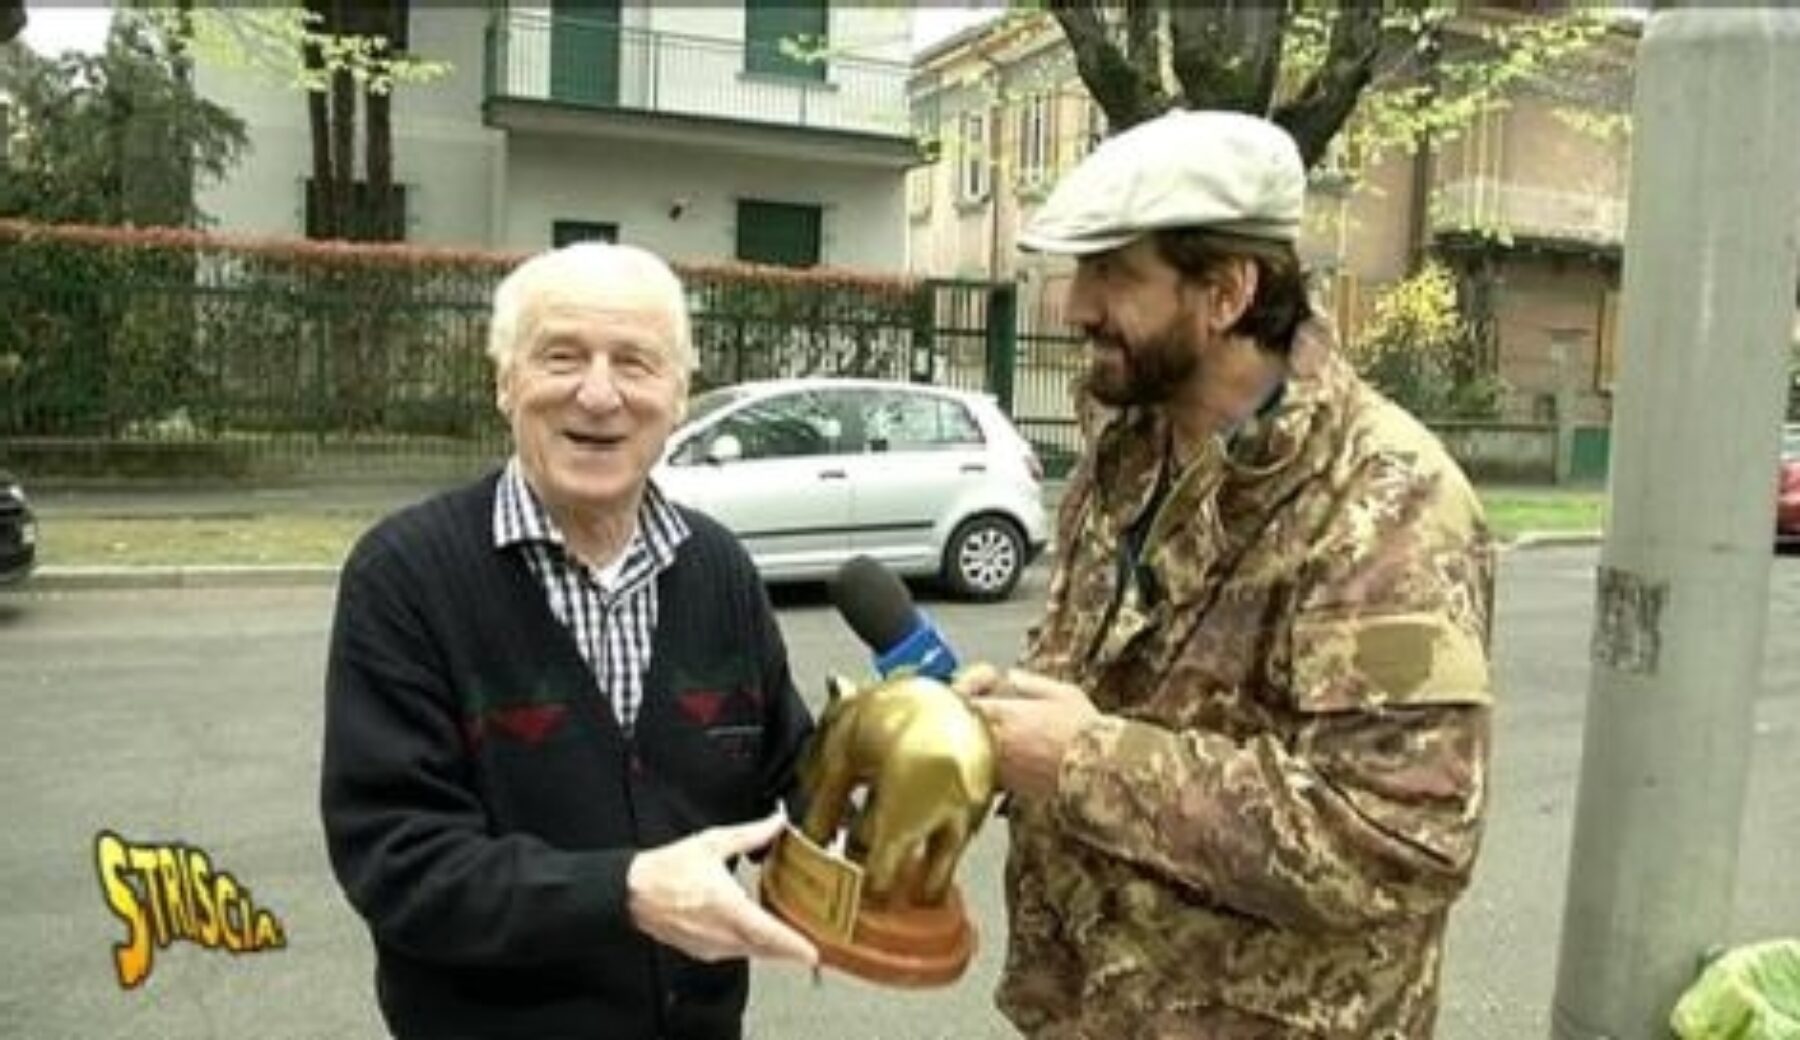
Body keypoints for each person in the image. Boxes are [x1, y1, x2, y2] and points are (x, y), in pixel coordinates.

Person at [953, 109, 1496, 1038]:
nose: (1074, 307)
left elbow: (1400, 839)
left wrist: (1083, 761)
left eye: (1114, 273)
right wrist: (999, 721)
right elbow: (1113, 688)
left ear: (1228, 291)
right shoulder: (1126, 455)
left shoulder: (1388, 499)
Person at [321, 243, 817, 1040]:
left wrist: (886, 784)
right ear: (504, 382)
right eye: (561, 356)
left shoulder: (718, 567)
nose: (598, 393)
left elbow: (788, 773)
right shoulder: (405, 576)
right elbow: (398, 857)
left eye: (635, 362)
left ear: (680, 396)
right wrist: (624, 890)